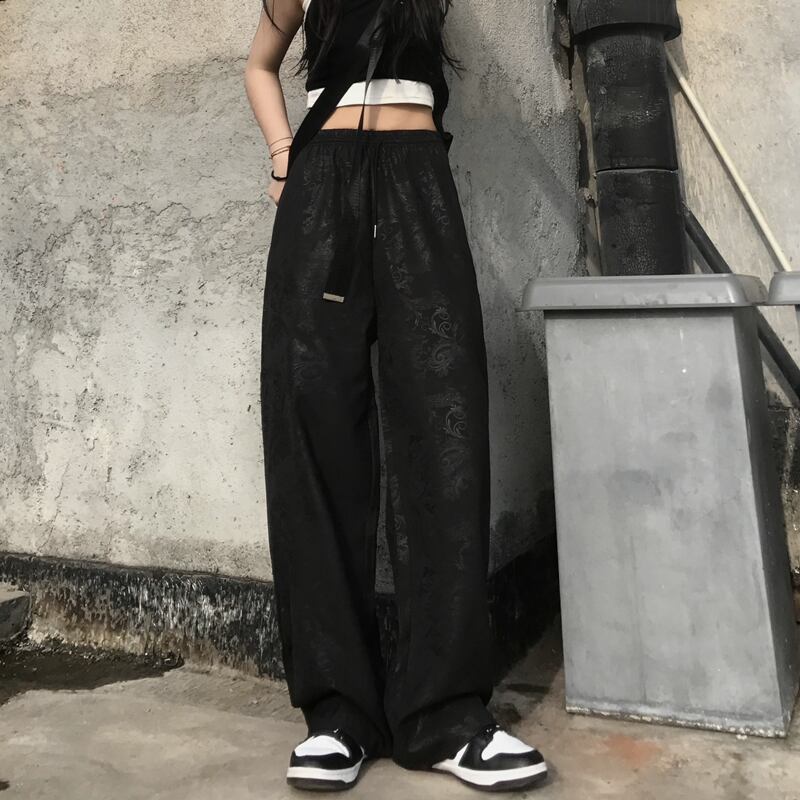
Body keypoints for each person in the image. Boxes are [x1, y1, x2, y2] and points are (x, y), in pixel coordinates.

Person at [244, 0, 548, 791]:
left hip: (417, 183)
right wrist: (283, 154)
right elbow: (259, 66)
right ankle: (338, 714)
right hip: (321, 188)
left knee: (445, 430)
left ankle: (444, 715)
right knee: (316, 431)